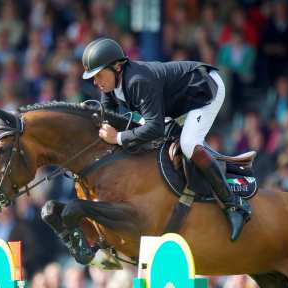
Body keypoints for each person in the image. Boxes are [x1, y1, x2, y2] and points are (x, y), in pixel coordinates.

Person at [82, 37, 251, 241]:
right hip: (175, 101)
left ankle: (234, 204)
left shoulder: (137, 81)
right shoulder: (109, 86)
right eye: (93, 76)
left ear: (117, 67)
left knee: (188, 144)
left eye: (99, 74)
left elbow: (155, 128)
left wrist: (118, 137)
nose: (95, 81)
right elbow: (109, 117)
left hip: (204, 89)